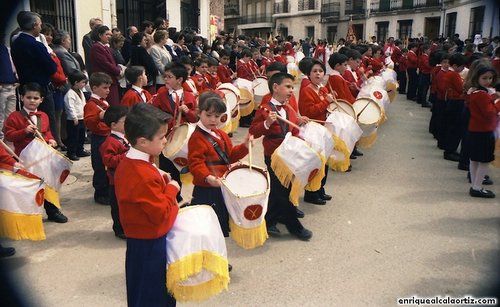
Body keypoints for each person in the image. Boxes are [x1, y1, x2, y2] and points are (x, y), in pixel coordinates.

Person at [114, 103, 179, 307]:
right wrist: (172, 189)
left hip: (142, 240)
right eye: (161, 137)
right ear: (142, 142)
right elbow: (160, 212)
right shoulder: (140, 173)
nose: (165, 140)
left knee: (146, 292)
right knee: (153, 295)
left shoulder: (135, 161)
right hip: (149, 243)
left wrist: (160, 176)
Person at [249, 72, 312, 241]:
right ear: (275, 87)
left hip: (290, 154)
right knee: (283, 191)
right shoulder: (265, 108)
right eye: (288, 87)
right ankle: (294, 226)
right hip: (274, 155)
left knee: (281, 189)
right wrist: (266, 123)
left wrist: (299, 126)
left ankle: (269, 221)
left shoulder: (289, 107)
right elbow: (253, 131)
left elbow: (293, 130)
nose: (292, 90)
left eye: (292, 87)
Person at [3, 82, 68, 223]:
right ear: (21, 98)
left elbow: (47, 132)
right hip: (26, 158)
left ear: (41, 100)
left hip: (43, 157)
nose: (32, 101)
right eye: (29, 97)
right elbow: (8, 136)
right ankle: (32, 216)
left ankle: (52, 211)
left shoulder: (43, 115)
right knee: (31, 187)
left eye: (35, 98)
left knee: (49, 185)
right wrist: (23, 131)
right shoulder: (14, 117)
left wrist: (51, 140)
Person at [188, 92, 250, 237]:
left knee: (220, 227)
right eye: (208, 115)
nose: (213, 119)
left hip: (222, 185)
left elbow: (230, 156)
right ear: (199, 113)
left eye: (217, 116)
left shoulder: (220, 134)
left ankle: (218, 257)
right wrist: (208, 178)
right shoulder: (196, 137)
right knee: (209, 229)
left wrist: (245, 146)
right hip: (207, 189)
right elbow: (195, 164)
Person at [11, 11, 57, 150]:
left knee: (27, 119)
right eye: (40, 24)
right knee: (46, 118)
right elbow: (51, 67)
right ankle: (49, 146)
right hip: (40, 86)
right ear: (34, 25)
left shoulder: (16, 42)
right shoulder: (36, 45)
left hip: (25, 85)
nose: (40, 27)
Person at [152, 62, 197, 201]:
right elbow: (154, 112)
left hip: (183, 139)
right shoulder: (161, 95)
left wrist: (188, 112)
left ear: (179, 80)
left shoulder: (189, 96)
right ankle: (173, 197)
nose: (166, 79)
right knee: (168, 168)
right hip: (166, 138)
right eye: (165, 76)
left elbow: (196, 118)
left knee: (186, 167)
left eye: (169, 77)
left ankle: (187, 195)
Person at [298, 59, 333, 205]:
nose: (318, 74)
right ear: (309, 74)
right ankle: (311, 193)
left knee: (324, 162)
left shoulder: (322, 88)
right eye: (314, 71)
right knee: (315, 162)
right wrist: (326, 102)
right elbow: (308, 112)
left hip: (323, 129)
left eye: (320, 71)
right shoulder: (307, 90)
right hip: (313, 131)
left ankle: (320, 189)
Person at [463, 62, 500, 198]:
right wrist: (497, 102)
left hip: (475, 129)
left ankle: (475, 184)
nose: (488, 81)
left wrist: (492, 98)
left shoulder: (474, 91)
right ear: (477, 77)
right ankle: (477, 187)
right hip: (485, 130)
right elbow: (490, 113)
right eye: (484, 78)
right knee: (484, 161)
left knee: (474, 159)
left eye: (490, 78)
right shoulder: (482, 94)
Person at [100, 105, 129, 239]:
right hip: (116, 179)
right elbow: (108, 160)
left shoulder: (126, 137)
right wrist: (126, 155)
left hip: (127, 177)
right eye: (125, 121)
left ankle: (127, 225)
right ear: (114, 125)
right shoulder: (110, 141)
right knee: (117, 205)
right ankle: (119, 228)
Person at [83, 72, 112, 205]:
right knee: (99, 165)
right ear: (94, 88)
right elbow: (88, 122)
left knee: (107, 164)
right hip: (99, 138)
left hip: (107, 136)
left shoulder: (102, 101)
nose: (108, 90)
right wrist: (99, 116)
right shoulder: (91, 105)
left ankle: (107, 190)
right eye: (105, 88)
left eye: (108, 87)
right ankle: (100, 193)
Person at [89, 25, 121, 106]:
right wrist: (118, 71)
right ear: (100, 35)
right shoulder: (96, 47)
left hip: (111, 79)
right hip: (104, 80)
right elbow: (105, 63)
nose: (109, 37)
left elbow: (114, 62)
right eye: (107, 34)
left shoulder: (106, 47)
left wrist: (118, 68)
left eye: (110, 35)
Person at [442, 53, 466, 162]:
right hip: (456, 101)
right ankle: (450, 150)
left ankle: (450, 149)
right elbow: (461, 89)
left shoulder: (449, 73)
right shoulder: (454, 75)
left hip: (452, 101)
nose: (462, 69)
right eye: (461, 66)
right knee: (455, 128)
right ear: (456, 65)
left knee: (452, 126)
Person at [64, 71, 90, 161]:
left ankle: (80, 150)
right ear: (76, 82)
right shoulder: (70, 94)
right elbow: (70, 106)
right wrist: (74, 117)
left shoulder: (80, 92)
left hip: (82, 117)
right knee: (73, 137)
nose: (84, 84)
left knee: (81, 136)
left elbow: (83, 103)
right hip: (73, 120)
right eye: (83, 82)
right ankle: (71, 152)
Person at [0, 41, 17, 140]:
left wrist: (15, 78)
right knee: (0, 118)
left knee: (10, 118)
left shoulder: (4, 48)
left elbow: (11, 65)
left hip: (11, 85)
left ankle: (9, 145)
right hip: (2, 87)